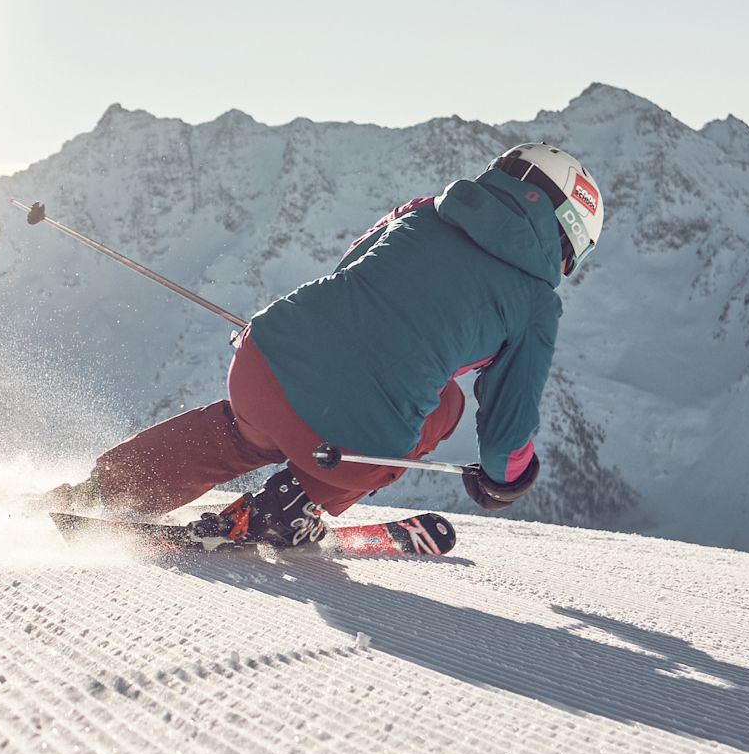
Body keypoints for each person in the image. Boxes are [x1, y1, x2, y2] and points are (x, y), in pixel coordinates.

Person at [54, 142, 607, 545]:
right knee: (446, 406)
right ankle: (294, 503)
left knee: (242, 432)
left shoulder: (424, 212)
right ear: (565, 234)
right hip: (345, 443)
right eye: (573, 255)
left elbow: (350, 277)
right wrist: (508, 480)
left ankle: (104, 490)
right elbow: (507, 426)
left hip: (261, 361)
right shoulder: (536, 301)